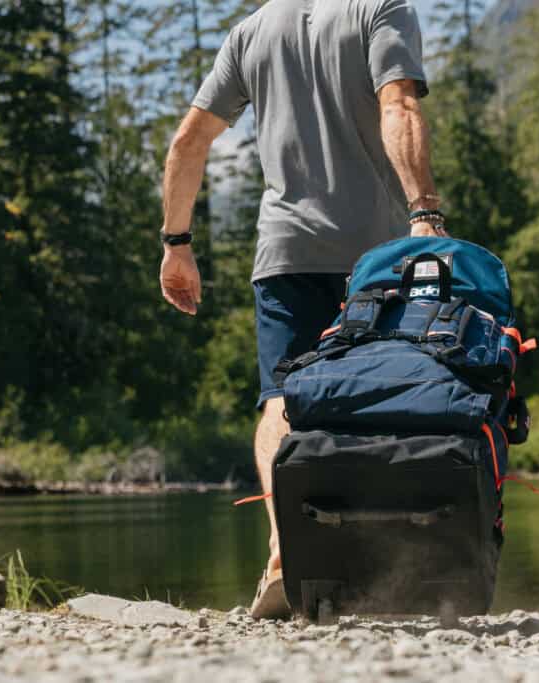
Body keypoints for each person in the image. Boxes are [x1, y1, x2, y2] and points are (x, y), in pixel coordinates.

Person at [157, 0, 445, 619]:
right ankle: (389, 563)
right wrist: (423, 211)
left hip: (286, 253)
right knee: (388, 398)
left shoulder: (251, 32)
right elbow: (399, 105)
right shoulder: (380, 9)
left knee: (281, 400)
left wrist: (177, 245)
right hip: (377, 254)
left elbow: (189, 140)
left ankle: (284, 549)